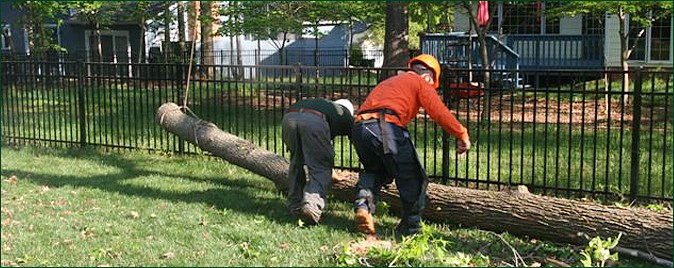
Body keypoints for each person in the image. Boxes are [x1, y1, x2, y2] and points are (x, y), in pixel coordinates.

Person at [350, 54, 471, 238]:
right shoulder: (419, 82)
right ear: (428, 76)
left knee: (376, 172)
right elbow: (438, 111)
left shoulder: (391, 81)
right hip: (385, 126)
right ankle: (411, 229)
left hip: (360, 128)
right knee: (413, 177)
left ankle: (363, 207)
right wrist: (461, 133)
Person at [282, 98, 355, 225]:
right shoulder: (345, 115)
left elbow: (322, 146)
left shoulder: (325, 106)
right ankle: (312, 206)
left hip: (289, 119)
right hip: (314, 121)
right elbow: (356, 139)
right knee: (320, 168)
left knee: (296, 163)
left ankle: (295, 206)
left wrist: (334, 174)